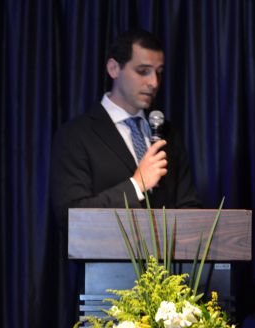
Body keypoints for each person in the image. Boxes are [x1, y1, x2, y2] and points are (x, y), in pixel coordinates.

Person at [50, 28, 201, 230]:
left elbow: (188, 208)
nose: (154, 82)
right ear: (114, 68)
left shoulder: (168, 133)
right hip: (106, 251)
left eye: (159, 72)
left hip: (167, 252)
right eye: (143, 71)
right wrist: (136, 185)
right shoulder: (75, 135)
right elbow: (72, 217)